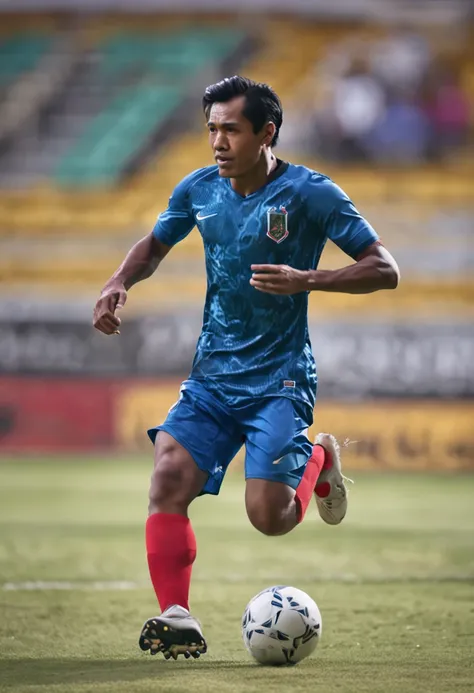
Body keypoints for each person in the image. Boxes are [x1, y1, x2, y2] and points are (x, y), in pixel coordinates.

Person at [93, 76, 400, 660]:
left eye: (230, 129)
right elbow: (155, 244)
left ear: (267, 132)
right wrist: (117, 282)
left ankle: (316, 459)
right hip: (211, 376)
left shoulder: (312, 194)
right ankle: (176, 614)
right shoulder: (200, 189)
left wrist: (309, 279)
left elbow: (384, 268)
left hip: (279, 381)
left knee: (270, 519)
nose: (217, 142)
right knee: (167, 477)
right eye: (211, 128)